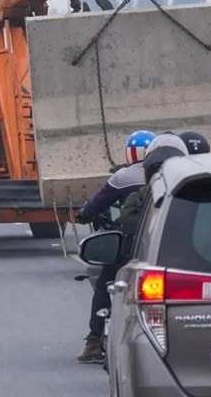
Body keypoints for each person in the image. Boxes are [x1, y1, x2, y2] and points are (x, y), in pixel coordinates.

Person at [73, 130, 155, 364]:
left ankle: (94, 342)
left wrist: (82, 216)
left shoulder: (123, 177)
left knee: (104, 286)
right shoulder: (173, 175)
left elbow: (95, 205)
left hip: (129, 246)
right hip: (164, 246)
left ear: (130, 153)